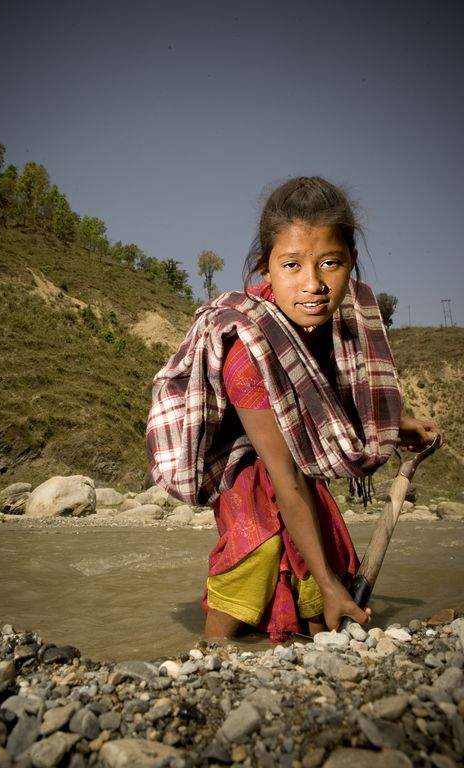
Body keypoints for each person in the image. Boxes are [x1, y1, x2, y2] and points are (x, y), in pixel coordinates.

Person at [147, 176, 440, 642]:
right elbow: (285, 476)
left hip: (292, 449)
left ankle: (289, 644)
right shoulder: (247, 348)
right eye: (291, 265)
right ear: (266, 269)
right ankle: (210, 653)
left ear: (351, 264)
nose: (314, 284)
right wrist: (329, 584)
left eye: (330, 263)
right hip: (240, 455)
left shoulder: (343, 320)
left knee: (315, 558)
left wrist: (396, 425)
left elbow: (326, 395)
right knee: (258, 549)